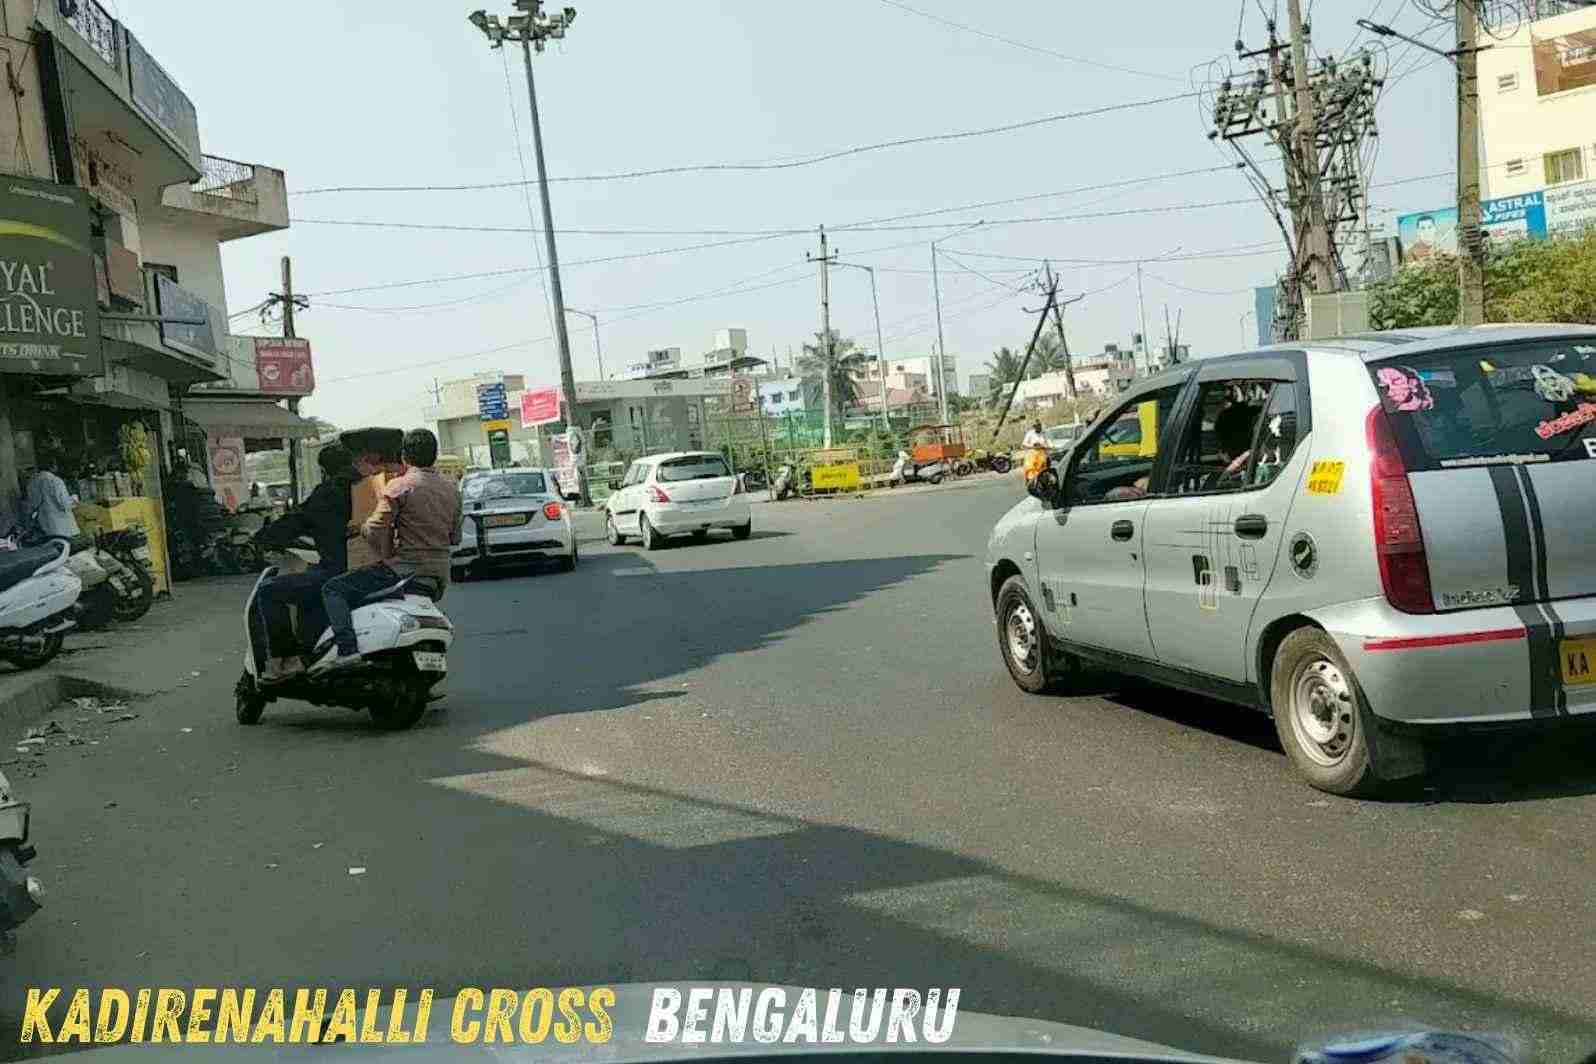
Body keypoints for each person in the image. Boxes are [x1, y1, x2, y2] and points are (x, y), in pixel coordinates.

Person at [313, 429, 460, 674]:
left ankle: (347, 650)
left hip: (404, 571)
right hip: (439, 577)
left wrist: (365, 533)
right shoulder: (452, 489)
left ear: (405, 456)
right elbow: (455, 537)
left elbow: (374, 529)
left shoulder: (398, 486)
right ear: (434, 456)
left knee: (333, 589)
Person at [250, 444, 358, 682]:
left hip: (338, 572)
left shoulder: (328, 492)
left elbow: (296, 521)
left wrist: (263, 538)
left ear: (323, 470)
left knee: (269, 591)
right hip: (373, 572)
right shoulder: (368, 488)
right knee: (311, 581)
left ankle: (286, 659)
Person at [26, 454, 80, 540]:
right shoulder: (55, 480)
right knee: (64, 544)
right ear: (52, 466)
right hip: (61, 525)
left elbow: (32, 505)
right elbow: (64, 504)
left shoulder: (32, 482)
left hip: (44, 524)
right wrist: (74, 498)